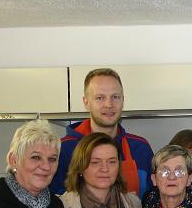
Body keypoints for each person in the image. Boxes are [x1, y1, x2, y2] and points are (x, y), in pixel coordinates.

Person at [50, 68, 154, 198]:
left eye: (115, 97)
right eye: (100, 98)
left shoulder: (141, 148)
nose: (109, 104)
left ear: (123, 100)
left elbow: (152, 200)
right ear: (86, 102)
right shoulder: (63, 150)